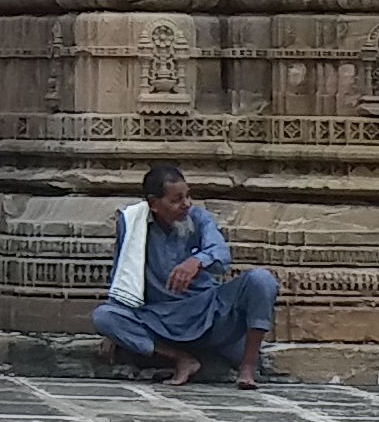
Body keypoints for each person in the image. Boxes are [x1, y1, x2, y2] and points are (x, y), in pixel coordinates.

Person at [90, 162, 277, 387]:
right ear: (154, 204)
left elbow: (221, 254)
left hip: (209, 315)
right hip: (160, 320)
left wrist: (197, 261)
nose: (186, 204)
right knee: (104, 316)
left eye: (188, 196)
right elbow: (122, 272)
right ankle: (182, 359)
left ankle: (246, 367)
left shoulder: (198, 218)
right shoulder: (132, 223)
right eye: (177, 200)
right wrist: (115, 333)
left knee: (261, 280)